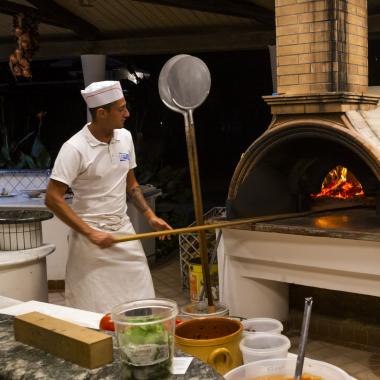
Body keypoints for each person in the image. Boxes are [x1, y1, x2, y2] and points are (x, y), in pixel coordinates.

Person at [45, 80, 172, 313]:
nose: (127, 113)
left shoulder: (125, 138)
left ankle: (136, 346)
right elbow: (52, 198)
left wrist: (149, 215)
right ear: (102, 113)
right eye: (121, 109)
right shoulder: (74, 148)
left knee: (140, 297)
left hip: (123, 231)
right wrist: (92, 233)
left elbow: (130, 182)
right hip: (90, 240)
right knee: (96, 308)